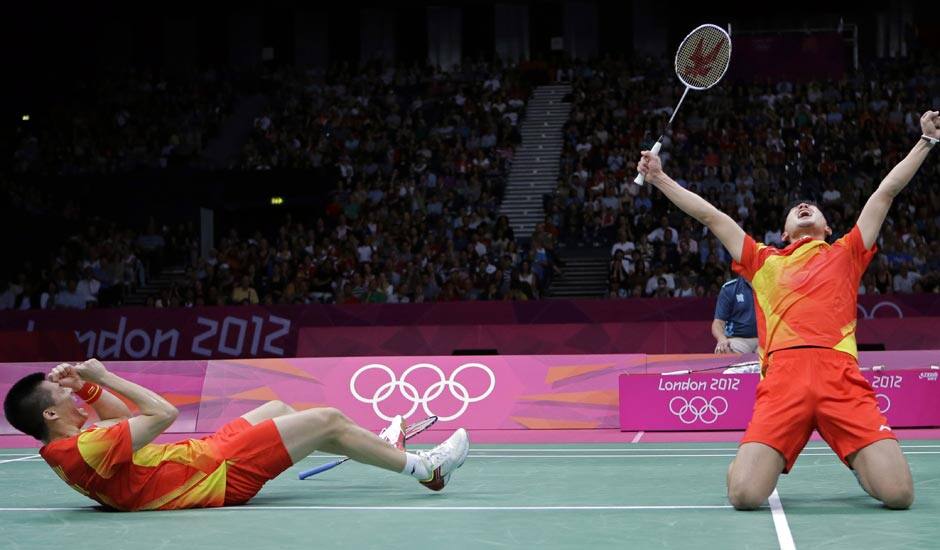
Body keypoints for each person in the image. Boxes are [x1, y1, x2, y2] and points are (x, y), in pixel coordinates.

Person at [635, 109, 939, 511]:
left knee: (899, 495)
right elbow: (711, 216)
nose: (804, 205)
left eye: (811, 205)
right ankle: (757, 460)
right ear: (784, 232)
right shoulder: (762, 261)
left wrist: (927, 141)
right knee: (744, 496)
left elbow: (885, 192)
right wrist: (659, 178)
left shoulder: (848, 253)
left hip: (840, 380)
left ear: (828, 228)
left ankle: (855, 453)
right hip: (783, 382)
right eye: (796, 207)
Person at [3, 359, 470, 511]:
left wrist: (86, 385)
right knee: (326, 418)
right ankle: (425, 469)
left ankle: (382, 450)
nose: (68, 394)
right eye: (58, 392)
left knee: (280, 409)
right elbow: (162, 413)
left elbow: (114, 419)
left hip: (203, 458)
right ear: (49, 412)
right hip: (216, 472)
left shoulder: (69, 448)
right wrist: (105, 375)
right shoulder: (84, 447)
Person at [712, 278, 758, 354]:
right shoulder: (730, 288)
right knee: (722, 350)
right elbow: (718, 322)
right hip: (738, 339)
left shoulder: (772, 287)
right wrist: (721, 338)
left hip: (766, 340)